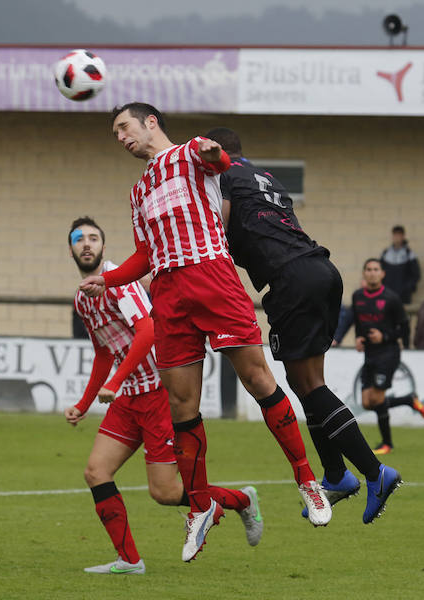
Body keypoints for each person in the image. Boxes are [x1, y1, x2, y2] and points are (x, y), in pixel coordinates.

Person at [80, 103, 330, 563]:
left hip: (211, 274)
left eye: (123, 127)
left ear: (149, 121)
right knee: (182, 405)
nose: (119, 137)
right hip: (169, 292)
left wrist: (214, 153)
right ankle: (198, 504)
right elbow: (144, 255)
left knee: (258, 380)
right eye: (114, 132)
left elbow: (220, 163)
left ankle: (307, 480)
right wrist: (109, 279)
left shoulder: (192, 152)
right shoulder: (138, 191)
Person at [204, 127, 402, 524]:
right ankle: (335, 475)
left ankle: (375, 473)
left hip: (292, 279)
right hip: (321, 271)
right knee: (307, 386)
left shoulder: (223, 176)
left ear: (218, 154)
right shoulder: (266, 177)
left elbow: (217, 229)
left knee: (309, 389)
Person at [64, 217, 263, 575]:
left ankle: (241, 500)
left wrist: (115, 381)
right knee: (96, 472)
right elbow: (103, 353)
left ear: (104, 247)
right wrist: (83, 403)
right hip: (130, 399)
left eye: (94, 237)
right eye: (80, 239)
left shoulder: (117, 283)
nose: (87, 244)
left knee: (166, 493)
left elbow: (148, 331)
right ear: (71, 249)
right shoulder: (83, 299)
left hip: (157, 392)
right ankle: (129, 561)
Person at [350, 259, 424, 455]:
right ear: (364, 273)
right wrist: (359, 338)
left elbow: (404, 327)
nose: (372, 273)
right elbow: (358, 322)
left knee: (377, 398)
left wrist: (384, 336)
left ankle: (387, 444)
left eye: (376, 269)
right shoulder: (357, 296)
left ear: (382, 274)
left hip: (388, 353)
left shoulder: (391, 298)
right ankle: (409, 400)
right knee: (367, 402)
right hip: (370, 353)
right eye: (368, 269)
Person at [380, 225, 420, 305]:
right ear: (392, 236)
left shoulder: (409, 254)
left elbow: (416, 275)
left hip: (403, 296)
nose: (397, 237)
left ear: (403, 236)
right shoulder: (385, 254)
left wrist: (407, 288)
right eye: (395, 235)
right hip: (386, 294)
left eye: (399, 235)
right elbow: (380, 272)